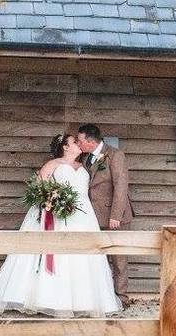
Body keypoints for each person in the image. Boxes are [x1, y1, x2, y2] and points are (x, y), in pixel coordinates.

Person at [0, 133, 121, 317]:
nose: (79, 144)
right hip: (58, 216)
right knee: (56, 254)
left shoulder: (85, 166)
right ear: (65, 147)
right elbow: (39, 189)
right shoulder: (53, 164)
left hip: (84, 217)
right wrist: (55, 200)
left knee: (84, 255)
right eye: (75, 142)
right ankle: (48, 299)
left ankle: (84, 301)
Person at [75, 123, 133, 305]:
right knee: (98, 259)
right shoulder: (85, 158)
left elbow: (121, 186)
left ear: (90, 141)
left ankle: (121, 298)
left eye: (80, 140)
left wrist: (115, 215)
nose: (78, 143)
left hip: (114, 216)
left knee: (118, 259)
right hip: (92, 217)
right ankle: (105, 298)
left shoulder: (115, 155)